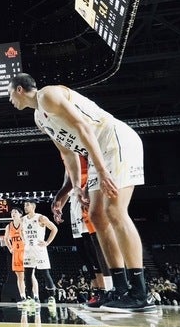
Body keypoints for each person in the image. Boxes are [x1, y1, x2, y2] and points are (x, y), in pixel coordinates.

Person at [8, 73, 155, 312]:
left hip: (114, 141)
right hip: (96, 154)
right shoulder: (39, 117)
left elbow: (83, 127)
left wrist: (103, 171)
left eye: (10, 93)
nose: (9, 100)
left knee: (115, 211)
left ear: (20, 89)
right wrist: (76, 186)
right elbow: (68, 152)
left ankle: (140, 293)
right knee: (96, 216)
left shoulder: (48, 95)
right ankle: (120, 288)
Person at [51, 153, 113, 308]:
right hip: (75, 201)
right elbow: (68, 181)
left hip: (88, 195)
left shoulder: (81, 147)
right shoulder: (65, 151)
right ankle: (98, 291)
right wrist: (60, 204)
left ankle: (108, 290)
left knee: (95, 247)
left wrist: (59, 197)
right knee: (84, 250)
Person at [21, 200, 58, 306]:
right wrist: (23, 240)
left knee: (45, 273)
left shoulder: (41, 218)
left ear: (33, 206)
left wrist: (47, 242)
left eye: (27, 205)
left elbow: (54, 229)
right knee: (27, 274)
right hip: (28, 250)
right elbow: (20, 231)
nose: (25, 207)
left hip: (39, 249)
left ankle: (51, 297)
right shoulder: (23, 220)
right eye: (24, 205)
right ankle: (30, 297)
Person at [4, 207, 27, 304]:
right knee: (20, 277)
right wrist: (10, 248)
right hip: (16, 253)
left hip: (26, 252)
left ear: (20, 214)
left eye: (15, 212)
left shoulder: (24, 223)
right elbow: (5, 239)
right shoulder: (9, 226)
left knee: (30, 276)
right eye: (12, 212)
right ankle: (23, 297)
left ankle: (34, 296)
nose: (13, 213)